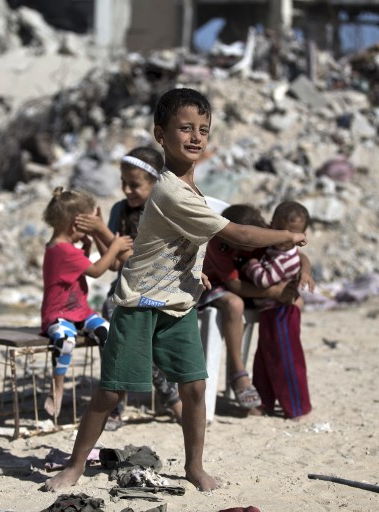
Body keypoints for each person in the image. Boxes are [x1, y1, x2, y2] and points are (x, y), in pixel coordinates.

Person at [44, 87, 306, 493]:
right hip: (140, 304)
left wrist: (195, 271)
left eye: (203, 129)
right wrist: (284, 236)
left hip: (179, 305)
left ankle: (194, 467)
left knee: (196, 387)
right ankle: (75, 466)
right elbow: (236, 232)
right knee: (111, 392)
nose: (196, 137)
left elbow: (183, 244)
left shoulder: (194, 192)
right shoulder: (168, 189)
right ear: (160, 135)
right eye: (185, 128)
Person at [76, 146, 183, 430]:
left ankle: (169, 399)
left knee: (134, 330)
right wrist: (99, 233)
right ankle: (117, 403)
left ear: (154, 183)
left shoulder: (160, 211)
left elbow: (134, 259)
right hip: (124, 289)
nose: (127, 190)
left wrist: (101, 230)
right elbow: (113, 263)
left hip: (157, 289)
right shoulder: (119, 211)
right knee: (112, 322)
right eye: (123, 183)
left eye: (134, 185)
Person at [40, 187, 133, 418]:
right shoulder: (64, 251)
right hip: (58, 314)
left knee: (106, 332)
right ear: (76, 225)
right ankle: (57, 388)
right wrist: (115, 246)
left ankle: (110, 388)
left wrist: (87, 246)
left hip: (79, 311)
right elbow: (97, 270)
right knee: (66, 339)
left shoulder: (62, 246)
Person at [199, 204, 299, 410]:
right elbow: (234, 285)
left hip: (253, 284)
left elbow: (294, 253)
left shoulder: (264, 234)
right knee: (235, 304)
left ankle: (275, 373)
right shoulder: (219, 242)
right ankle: (238, 373)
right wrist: (273, 292)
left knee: (296, 302)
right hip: (214, 285)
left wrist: (305, 271)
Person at [243, 200, 314, 419]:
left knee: (285, 358)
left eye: (291, 234)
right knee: (265, 358)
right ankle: (264, 402)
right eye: (280, 232)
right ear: (271, 226)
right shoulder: (274, 250)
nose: (285, 239)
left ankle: (296, 406)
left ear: (301, 235)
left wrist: (250, 264)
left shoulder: (285, 257)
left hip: (282, 313)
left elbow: (264, 280)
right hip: (270, 313)